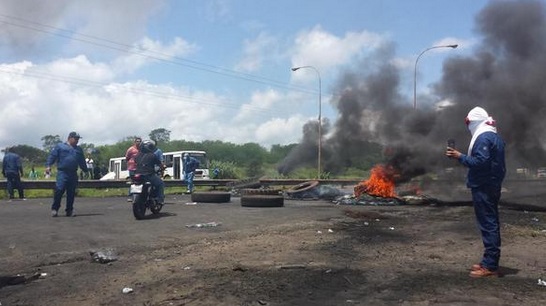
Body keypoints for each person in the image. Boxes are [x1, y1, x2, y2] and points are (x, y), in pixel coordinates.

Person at [445, 106, 506, 278]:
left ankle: (491, 266)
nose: (468, 126)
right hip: (491, 184)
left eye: (468, 122)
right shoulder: (494, 136)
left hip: (484, 186)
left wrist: (460, 156)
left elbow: (480, 162)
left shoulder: (484, 137)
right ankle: (488, 261)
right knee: (489, 222)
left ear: (475, 122)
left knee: (488, 224)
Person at [46, 131, 88, 217]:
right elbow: (52, 156)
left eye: (78, 139)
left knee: (71, 192)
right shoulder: (60, 147)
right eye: (76, 139)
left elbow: (82, 161)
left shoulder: (78, 149)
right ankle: (55, 208)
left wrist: (85, 170)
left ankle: (69, 210)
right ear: (70, 138)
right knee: (59, 190)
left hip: (73, 173)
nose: (77, 141)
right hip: (63, 172)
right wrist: (48, 165)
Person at [135, 140, 164, 204]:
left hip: (137, 175)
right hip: (148, 175)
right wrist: (163, 168)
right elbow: (160, 165)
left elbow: (135, 163)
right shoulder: (152, 155)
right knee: (160, 183)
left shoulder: (137, 155)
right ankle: (160, 199)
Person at [125, 137, 141, 201]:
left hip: (139, 167)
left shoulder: (142, 149)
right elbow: (127, 157)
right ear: (135, 142)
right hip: (132, 167)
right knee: (132, 181)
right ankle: (130, 195)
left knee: (140, 181)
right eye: (137, 141)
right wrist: (131, 162)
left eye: (139, 141)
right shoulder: (131, 149)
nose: (138, 142)